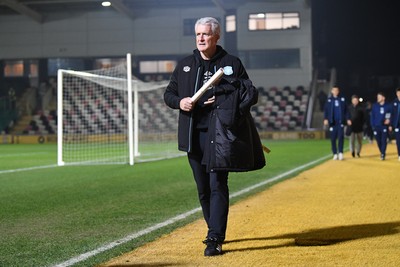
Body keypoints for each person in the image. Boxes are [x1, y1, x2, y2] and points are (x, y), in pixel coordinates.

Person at [164, 17, 265, 257]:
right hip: (192, 136)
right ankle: (213, 229)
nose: (200, 38)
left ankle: (215, 237)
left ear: (216, 37)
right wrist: (181, 102)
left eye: (205, 34)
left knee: (217, 184)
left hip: (220, 137)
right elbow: (169, 94)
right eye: (198, 34)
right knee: (203, 189)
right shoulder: (185, 65)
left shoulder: (231, 63)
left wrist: (220, 99)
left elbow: (248, 94)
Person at [323, 86, 351, 160]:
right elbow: (326, 110)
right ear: (332, 91)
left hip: (340, 122)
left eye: (337, 90)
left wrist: (348, 119)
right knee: (333, 139)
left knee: (341, 137)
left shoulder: (342, 100)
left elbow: (346, 111)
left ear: (338, 91)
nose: (335, 91)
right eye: (334, 90)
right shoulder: (329, 100)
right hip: (332, 123)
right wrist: (325, 119)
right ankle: (335, 153)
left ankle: (341, 152)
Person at [370, 92, 391, 160]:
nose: (378, 98)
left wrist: (388, 120)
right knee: (378, 141)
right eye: (377, 97)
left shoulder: (388, 106)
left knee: (384, 140)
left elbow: (390, 114)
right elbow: (372, 116)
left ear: (383, 98)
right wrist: (372, 125)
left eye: (379, 97)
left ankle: (383, 153)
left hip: (384, 126)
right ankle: (382, 151)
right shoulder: (375, 106)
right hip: (376, 126)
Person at [390, 88, 400, 161]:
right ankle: (399, 154)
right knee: (398, 141)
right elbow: (392, 114)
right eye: (398, 93)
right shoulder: (394, 103)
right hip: (397, 125)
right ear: (396, 94)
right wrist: (391, 124)